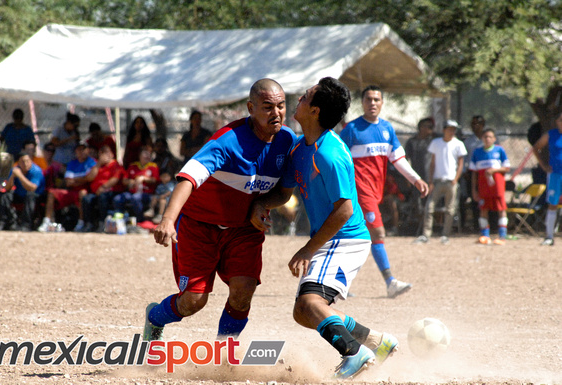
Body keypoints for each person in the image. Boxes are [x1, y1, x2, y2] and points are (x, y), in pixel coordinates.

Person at [250, 77, 398, 379]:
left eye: (305, 97)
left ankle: (354, 353)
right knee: (305, 311)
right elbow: (284, 192)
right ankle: (376, 342)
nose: (299, 100)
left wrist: (307, 249)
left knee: (309, 302)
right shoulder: (300, 148)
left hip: (345, 240)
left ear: (315, 111)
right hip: (331, 240)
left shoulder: (329, 154)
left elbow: (344, 210)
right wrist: (260, 204)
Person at [143, 78, 297, 343]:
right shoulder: (227, 141)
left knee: (243, 291)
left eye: (281, 106)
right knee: (193, 301)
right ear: (251, 107)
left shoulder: (287, 142)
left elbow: (283, 192)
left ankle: (223, 353)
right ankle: (154, 319)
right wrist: (168, 220)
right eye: (268, 107)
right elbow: (188, 178)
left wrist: (262, 204)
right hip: (199, 226)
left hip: (244, 230)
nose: (276, 113)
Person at [340, 85, 428, 298]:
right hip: (360, 191)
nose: (372, 103)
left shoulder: (387, 129)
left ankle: (338, 282)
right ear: (362, 103)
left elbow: (398, 159)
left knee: (354, 236)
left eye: (376, 99)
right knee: (377, 233)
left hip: (377, 191)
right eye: (368, 99)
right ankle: (390, 282)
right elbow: (338, 160)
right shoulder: (351, 130)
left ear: (382, 103)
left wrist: (415, 179)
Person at [413, 120, 467, 245]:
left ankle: (445, 235)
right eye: (450, 129)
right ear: (444, 130)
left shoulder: (458, 144)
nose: (452, 131)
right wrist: (430, 181)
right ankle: (426, 235)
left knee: (450, 210)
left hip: (451, 182)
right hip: (437, 181)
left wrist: (456, 179)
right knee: (429, 208)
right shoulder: (436, 143)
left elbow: (461, 164)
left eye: (454, 129)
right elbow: (432, 163)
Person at [38, 141, 97, 232]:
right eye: (79, 150)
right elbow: (68, 182)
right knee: (52, 193)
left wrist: (77, 180)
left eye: (83, 149)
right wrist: (83, 179)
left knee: (82, 193)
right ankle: (46, 221)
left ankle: (81, 223)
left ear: (88, 150)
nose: (81, 152)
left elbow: (90, 178)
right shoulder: (72, 163)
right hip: (71, 191)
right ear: (76, 152)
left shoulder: (92, 162)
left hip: (85, 191)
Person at [470, 128, 511, 245]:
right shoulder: (477, 152)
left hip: (497, 187)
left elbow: (506, 167)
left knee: (501, 209)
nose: (487, 139)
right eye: (485, 137)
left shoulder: (499, 150)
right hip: (483, 187)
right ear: (482, 138)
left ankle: (502, 236)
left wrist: (494, 170)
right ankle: (485, 236)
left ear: (494, 139)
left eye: (490, 137)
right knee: (483, 209)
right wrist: (474, 190)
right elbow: (474, 173)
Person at [0, 151, 45, 231]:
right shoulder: (15, 170)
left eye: (27, 161)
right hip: (20, 195)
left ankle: (26, 224)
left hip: (36, 197)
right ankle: (4, 222)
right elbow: (7, 188)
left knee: (30, 195)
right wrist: (12, 177)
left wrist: (20, 176)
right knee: (5, 195)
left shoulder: (36, 171)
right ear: (18, 163)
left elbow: (32, 188)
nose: (25, 164)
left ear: (31, 161)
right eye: (23, 161)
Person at [532, 111, 562, 246]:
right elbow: (536, 148)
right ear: (557, 122)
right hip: (555, 174)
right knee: (553, 204)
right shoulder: (551, 135)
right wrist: (544, 166)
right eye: (561, 120)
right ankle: (549, 236)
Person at [81, 145, 125, 232]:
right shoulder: (97, 165)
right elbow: (89, 178)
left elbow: (115, 179)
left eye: (107, 153)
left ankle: (102, 223)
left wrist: (103, 187)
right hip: (95, 193)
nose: (106, 155)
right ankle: (89, 223)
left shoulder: (115, 165)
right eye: (103, 153)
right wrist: (98, 164)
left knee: (102, 197)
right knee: (86, 199)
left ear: (112, 154)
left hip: (110, 192)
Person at [113, 145, 159, 223]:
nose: (147, 156)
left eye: (149, 154)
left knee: (135, 198)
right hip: (132, 192)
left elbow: (155, 180)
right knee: (117, 198)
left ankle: (140, 221)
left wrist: (144, 179)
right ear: (139, 155)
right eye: (145, 154)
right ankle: (120, 220)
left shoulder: (153, 167)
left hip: (147, 194)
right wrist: (131, 182)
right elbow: (124, 180)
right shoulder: (133, 166)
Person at [460, 115, 488, 231]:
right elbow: (464, 159)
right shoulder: (468, 141)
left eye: (477, 124)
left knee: (486, 200)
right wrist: (464, 172)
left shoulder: (488, 138)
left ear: (482, 125)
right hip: (472, 174)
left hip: (486, 174)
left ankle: (488, 225)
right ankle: (473, 226)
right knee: (473, 198)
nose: (474, 126)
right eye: (472, 124)